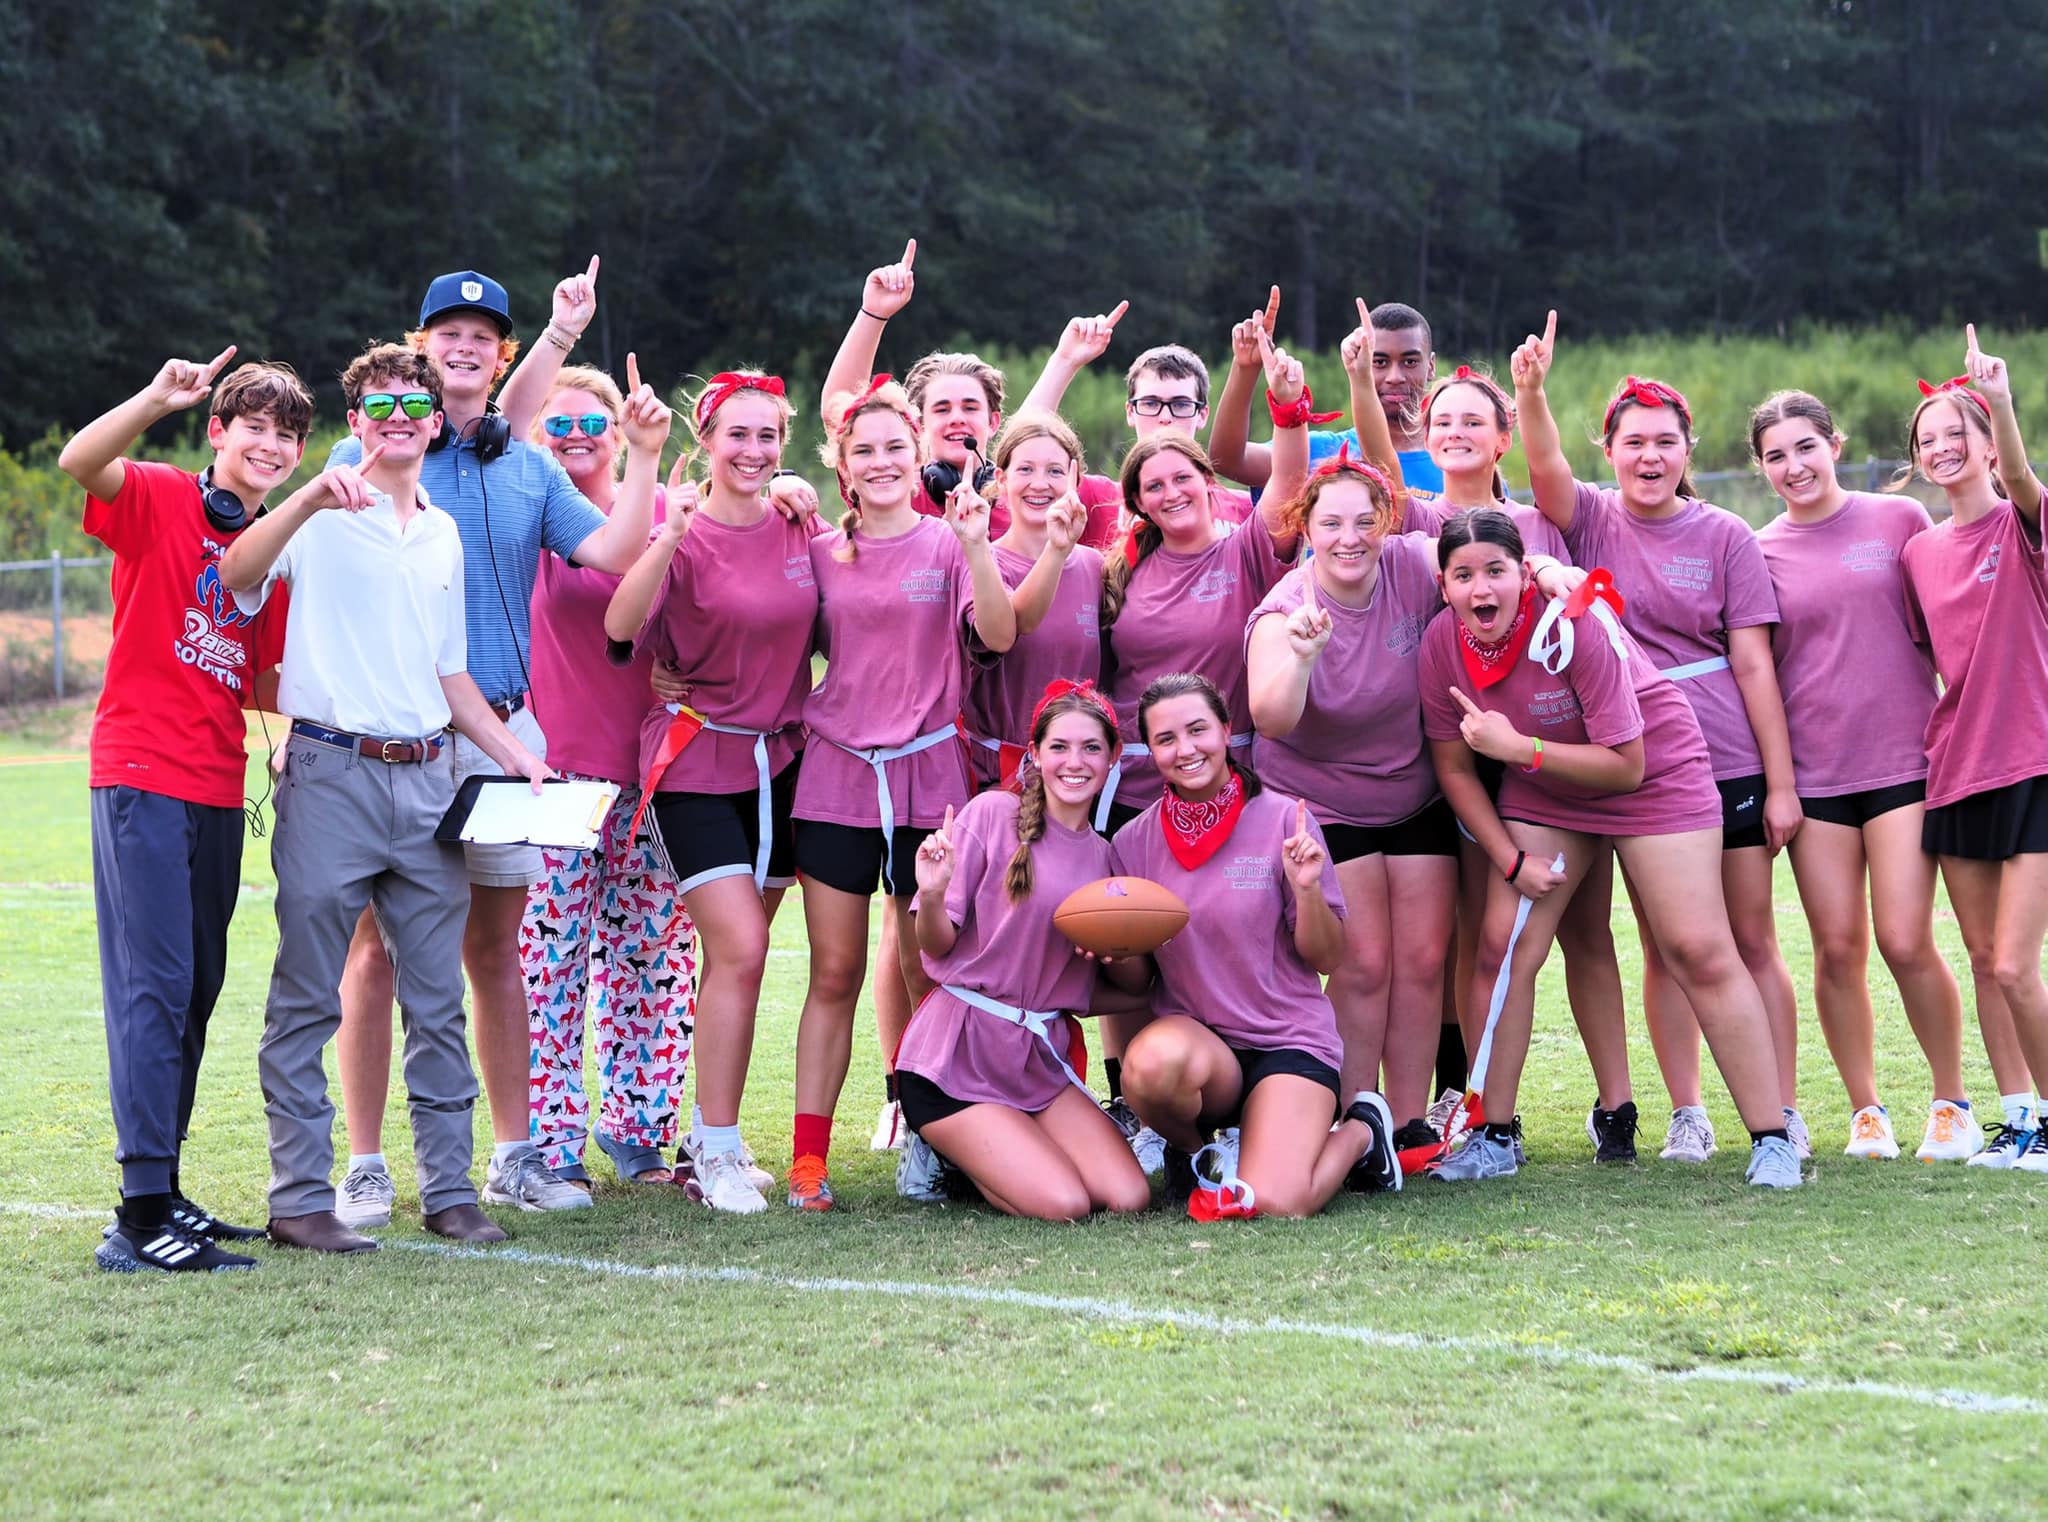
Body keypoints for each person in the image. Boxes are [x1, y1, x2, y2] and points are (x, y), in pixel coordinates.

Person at [325, 270, 662, 1226]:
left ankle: (513, 1156)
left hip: (505, 732)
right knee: (375, 954)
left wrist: (641, 457)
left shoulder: (525, 463)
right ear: (419, 345)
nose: (465, 346)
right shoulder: (376, 451)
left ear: (501, 355)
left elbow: (613, 553)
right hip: (391, 732)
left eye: (483, 335)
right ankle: (364, 1165)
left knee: (495, 949)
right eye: (448, 333)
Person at [221, 342, 553, 1251]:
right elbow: (239, 574)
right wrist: (306, 499)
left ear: (437, 420)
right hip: (331, 774)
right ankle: (299, 1199)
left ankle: (450, 1192)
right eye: (381, 406)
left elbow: (451, 674)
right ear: (355, 421)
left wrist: (513, 755)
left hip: (431, 775)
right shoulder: (321, 513)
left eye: (415, 405)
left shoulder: (442, 531)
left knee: (437, 1000)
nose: (400, 418)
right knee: (307, 998)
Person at [821, 240, 1109, 1150]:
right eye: (936, 407)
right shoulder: (883, 487)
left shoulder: (993, 498)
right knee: (910, 933)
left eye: (968, 410)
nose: (953, 420)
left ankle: (1008, 1082)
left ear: (989, 423)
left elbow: (1035, 446)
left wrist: (1061, 367)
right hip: (943, 747)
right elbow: (840, 412)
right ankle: (911, 1088)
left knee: (991, 928)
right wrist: (875, 316)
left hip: (1008, 753)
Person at [1418, 509, 1800, 1187]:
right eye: (1464, 574)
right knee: (1502, 944)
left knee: (1696, 948)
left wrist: (1519, 748)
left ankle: (1772, 1137)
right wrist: (1510, 859)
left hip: (1652, 773)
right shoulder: (1442, 643)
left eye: (1498, 570)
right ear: (1443, 585)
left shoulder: (1570, 622)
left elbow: (1625, 765)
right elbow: (1452, 767)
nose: (1482, 588)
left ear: (1523, 575)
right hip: (1547, 787)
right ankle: (1493, 1135)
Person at [1514, 311, 1806, 1165]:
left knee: (1744, 941)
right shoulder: (1593, 520)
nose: (1650, 456)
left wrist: (1780, 784)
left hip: (1727, 757)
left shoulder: (1724, 536)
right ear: (1609, 450)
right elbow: (1541, 466)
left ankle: (1780, 1108)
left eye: (1666, 442)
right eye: (1634, 440)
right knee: (1665, 942)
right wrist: (1530, 393)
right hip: (1630, 758)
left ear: (1688, 450)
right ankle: (1689, 1110)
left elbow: (1755, 668)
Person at [61, 347, 307, 1273]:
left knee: (196, 990)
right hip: (140, 773)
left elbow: (266, 680)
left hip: (215, 786)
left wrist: (286, 744)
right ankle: (138, 1215)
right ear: (218, 432)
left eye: (288, 434)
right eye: (255, 427)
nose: (272, 447)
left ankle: (164, 1190)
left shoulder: (269, 548)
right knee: (153, 990)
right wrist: (155, 399)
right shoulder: (163, 495)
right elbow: (79, 463)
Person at [783, 377, 1050, 1209]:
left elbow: (1000, 635)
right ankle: (808, 1159)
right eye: (863, 451)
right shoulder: (819, 550)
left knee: (931, 968)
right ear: (843, 467)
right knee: (835, 970)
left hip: (931, 781)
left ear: (917, 453)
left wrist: (974, 544)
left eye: (897, 446)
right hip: (833, 780)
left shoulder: (949, 542)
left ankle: (934, 1138)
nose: (883, 461)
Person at [1400, 361, 1639, 1162]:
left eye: (1476, 419)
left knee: (1586, 933)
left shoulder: (1538, 521)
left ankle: (1619, 1106)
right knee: (1486, 936)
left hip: (1555, 748)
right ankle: (1481, 1109)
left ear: (1502, 435)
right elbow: (1369, 449)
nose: (1457, 433)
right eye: (1443, 421)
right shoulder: (1422, 518)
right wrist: (1363, 382)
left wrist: (1533, 392)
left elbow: (1548, 468)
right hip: (1470, 750)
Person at [605, 368, 823, 1213]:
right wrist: (669, 532)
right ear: (705, 439)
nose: (756, 450)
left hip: (786, 765)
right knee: (741, 949)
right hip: (697, 762)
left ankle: (705, 1138)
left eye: (769, 435)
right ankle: (722, 1150)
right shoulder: (680, 526)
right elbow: (622, 627)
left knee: (738, 958)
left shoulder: (802, 523)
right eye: (738, 434)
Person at [1751, 388, 1976, 1162]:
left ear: (1835, 445)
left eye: (1805, 448)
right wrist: (1779, 784)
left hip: (1907, 766)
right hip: (1816, 781)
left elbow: (1948, 626)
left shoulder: (1899, 521)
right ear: (1762, 467)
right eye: (1776, 455)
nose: (1794, 466)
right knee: (1836, 947)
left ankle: (1952, 1102)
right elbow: (1760, 674)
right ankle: (1867, 1111)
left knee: (1906, 939)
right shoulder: (1759, 550)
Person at [1110, 673, 1401, 1218]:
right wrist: (1116, 949)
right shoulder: (1132, 844)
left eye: (1198, 730)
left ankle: (1363, 1131)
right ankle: (1203, 1155)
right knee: (1147, 1066)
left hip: (1287, 1040)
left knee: (1279, 1202)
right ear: (1149, 751)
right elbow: (1140, 982)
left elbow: (1327, 957)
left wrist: (1308, 890)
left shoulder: (1283, 821)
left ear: (1225, 731)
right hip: (1202, 1050)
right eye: (1166, 739)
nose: (1186, 749)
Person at [1244, 450, 1458, 1146]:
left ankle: (1406, 1120)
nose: (1349, 538)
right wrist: (1304, 657)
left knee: (1424, 961)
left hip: (1413, 790)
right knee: (1364, 963)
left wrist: (1545, 569)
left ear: (1387, 523)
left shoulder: (1409, 564)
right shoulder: (1285, 609)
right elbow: (1269, 714)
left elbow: (1482, 546)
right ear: (1306, 528)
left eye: (1366, 522)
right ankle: (1349, 1116)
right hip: (1323, 799)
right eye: (1331, 523)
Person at [520, 361, 697, 1190]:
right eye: (561, 424)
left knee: (653, 959)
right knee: (550, 962)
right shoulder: (524, 513)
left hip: (658, 777)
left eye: (595, 423)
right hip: (555, 776)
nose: (578, 437)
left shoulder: (665, 512)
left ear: (622, 432)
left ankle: (638, 1132)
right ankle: (551, 1142)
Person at [897, 682, 1152, 1219]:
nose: (1074, 762)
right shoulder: (991, 814)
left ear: (1113, 759)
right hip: (954, 1061)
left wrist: (1120, 954)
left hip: (1035, 1062)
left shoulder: (1108, 859)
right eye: (1059, 746)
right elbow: (935, 949)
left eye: (1091, 748)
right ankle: (947, 1152)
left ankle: (1004, 1146)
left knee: (1129, 1197)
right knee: (1066, 1203)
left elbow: (1123, 989)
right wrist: (936, 892)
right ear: (1034, 754)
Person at [1899, 329, 2048, 1172]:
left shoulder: (2023, 522)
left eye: (1960, 433)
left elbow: (2026, 483)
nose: (1943, 448)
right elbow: (1931, 658)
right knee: (1987, 962)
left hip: (2032, 763)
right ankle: (2019, 1118)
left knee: (2022, 963)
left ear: (1987, 444)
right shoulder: (1917, 550)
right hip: (1954, 772)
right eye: (1929, 439)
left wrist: (1999, 396)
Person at [962, 413, 1099, 788]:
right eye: (1025, 469)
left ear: (1075, 480)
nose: (1040, 484)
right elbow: (1014, 624)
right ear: (1001, 479)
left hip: (1075, 778)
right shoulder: (982, 564)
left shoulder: (1094, 568)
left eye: (1055, 471)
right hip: (996, 779)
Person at [1017, 311, 1254, 525]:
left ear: (1202, 415)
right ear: (1130, 412)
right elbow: (1019, 447)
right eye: (1150, 403)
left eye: (1180, 404)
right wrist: (1064, 361)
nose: (1164, 417)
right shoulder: (1098, 501)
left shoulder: (1244, 509)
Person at [1209, 290, 1446, 497]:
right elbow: (1228, 460)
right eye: (1379, 362)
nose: (1395, 376)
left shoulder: (1454, 459)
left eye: (1410, 361)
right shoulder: (1325, 453)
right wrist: (1246, 368)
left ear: (1431, 366)